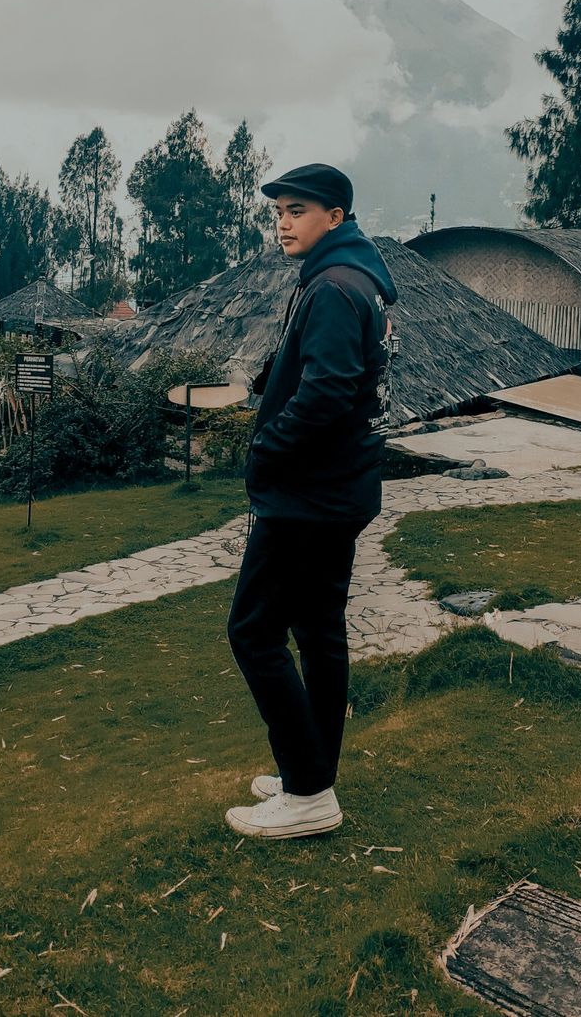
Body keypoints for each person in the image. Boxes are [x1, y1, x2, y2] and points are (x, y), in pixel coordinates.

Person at [225, 163, 397, 839]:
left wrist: (266, 448)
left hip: (308, 495)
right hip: (339, 488)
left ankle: (307, 792)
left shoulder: (332, 288)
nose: (283, 223)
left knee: (254, 631)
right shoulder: (356, 280)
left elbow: (327, 392)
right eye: (278, 212)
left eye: (297, 210)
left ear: (336, 216)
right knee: (319, 632)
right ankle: (313, 770)